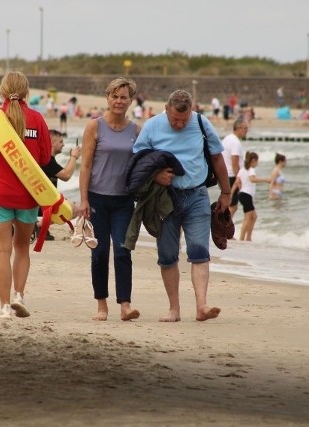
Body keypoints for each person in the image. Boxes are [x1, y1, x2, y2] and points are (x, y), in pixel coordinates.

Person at [133, 89, 231, 322]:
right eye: (174, 119)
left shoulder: (200, 122)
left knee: (199, 249)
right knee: (167, 254)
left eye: (183, 120)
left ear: (191, 112)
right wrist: (156, 175)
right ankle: (174, 309)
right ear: (166, 109)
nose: (179, 124)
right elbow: (138, 159)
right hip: (165, 198)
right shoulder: (152, 126)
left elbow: (217, 158)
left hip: (197, 195)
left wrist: (226, 192)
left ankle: (201, 306)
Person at [0, 71, 52, 319]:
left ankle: (5, 306)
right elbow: (45, 158)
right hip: (28, 195)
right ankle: (19, 295)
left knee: (2, 251)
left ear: (2, 92)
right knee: (22, 248)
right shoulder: (37, 119)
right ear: (27, 92)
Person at [79, 76, 141, 322]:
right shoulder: (94, 126)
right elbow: (85, 166)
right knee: (100, 251)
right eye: (114, 96)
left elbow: (141, 166)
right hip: (97, 199)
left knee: (123, 251)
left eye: (123, 97)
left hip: (124, 201)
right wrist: (83, 200)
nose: (118, 101)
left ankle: (125, 305)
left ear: (130, 100)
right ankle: (101, 305)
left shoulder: (136, 130)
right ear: (107, 98)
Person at [41, 129, 81, 240]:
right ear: (52, 143)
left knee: (76, 207)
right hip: (39, 205)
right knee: (72, 207)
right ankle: (39, 226)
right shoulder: (46, 160)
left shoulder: (49, 160)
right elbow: (66, 175)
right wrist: (73, 157)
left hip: (44, 202)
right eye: (61, 142)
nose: (64, 144)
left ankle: (41, 226)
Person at [231, 151, 270, 241]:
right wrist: (266, 180)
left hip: (242, 195)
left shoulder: (242, 170)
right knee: (247, 218)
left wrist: (231, 194)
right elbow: (252, 179)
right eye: (257, 161)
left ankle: (248, 237)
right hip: (246, 195)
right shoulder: (251, 169)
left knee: (254, 217)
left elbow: (236, 183)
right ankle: (242, 239)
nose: (257, 163)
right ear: (253, 160)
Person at [221, 118, 247, 218]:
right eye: (245, 128)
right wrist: (239, 178)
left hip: (224, 174)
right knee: (233, 206)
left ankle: (224, 230)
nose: (246, 131)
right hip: (231, 175)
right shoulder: (235, 142)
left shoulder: (227, 138)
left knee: (229, 204)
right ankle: (225, 230)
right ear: (238, 128)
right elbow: (235, 163)